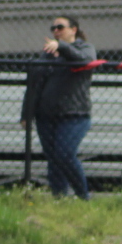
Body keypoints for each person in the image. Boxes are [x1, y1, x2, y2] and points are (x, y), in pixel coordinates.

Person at [30, 15, 95, 200]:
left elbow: (84, 61)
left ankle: (83, 197)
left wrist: (62, 47)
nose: (56, 31)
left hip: (75, 114)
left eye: (60, 27)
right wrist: (27, 113)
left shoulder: (85, 48)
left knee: (64, 154)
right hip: (46, 115)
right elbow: (35, 84)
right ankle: (59, 199)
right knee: (53, 159)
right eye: (53, 28)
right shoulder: (47, 54)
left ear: (73, 29)